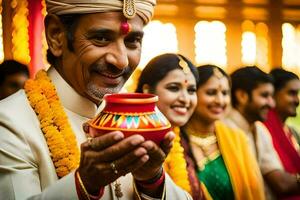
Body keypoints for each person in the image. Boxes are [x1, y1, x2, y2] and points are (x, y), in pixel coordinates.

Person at [0, 1, 192, 199]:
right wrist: (84, 183)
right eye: (101, 38)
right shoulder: (9, 122)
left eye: (132, 41)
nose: (121, 61)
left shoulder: (145, 118)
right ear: (56, 35)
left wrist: (152, 181)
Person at [225, 66, 300, 199]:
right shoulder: (223, 131)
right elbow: (282, 184)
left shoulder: (259, 129)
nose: (272, 104)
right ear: (242, 96)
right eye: (265, 96)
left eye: (271, 96)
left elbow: (275, 172)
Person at [135, 53, 202, 199]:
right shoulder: (134, 142)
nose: (185, 99)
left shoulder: (182, 140)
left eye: (191, 90)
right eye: (173, 88)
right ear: (147, 91)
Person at [264, 68, 300, 199]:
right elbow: (281, 185)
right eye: (291, 93)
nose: (297, 100)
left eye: (298, 93)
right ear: (273, 95)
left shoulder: (292, 132)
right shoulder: (262, 130)